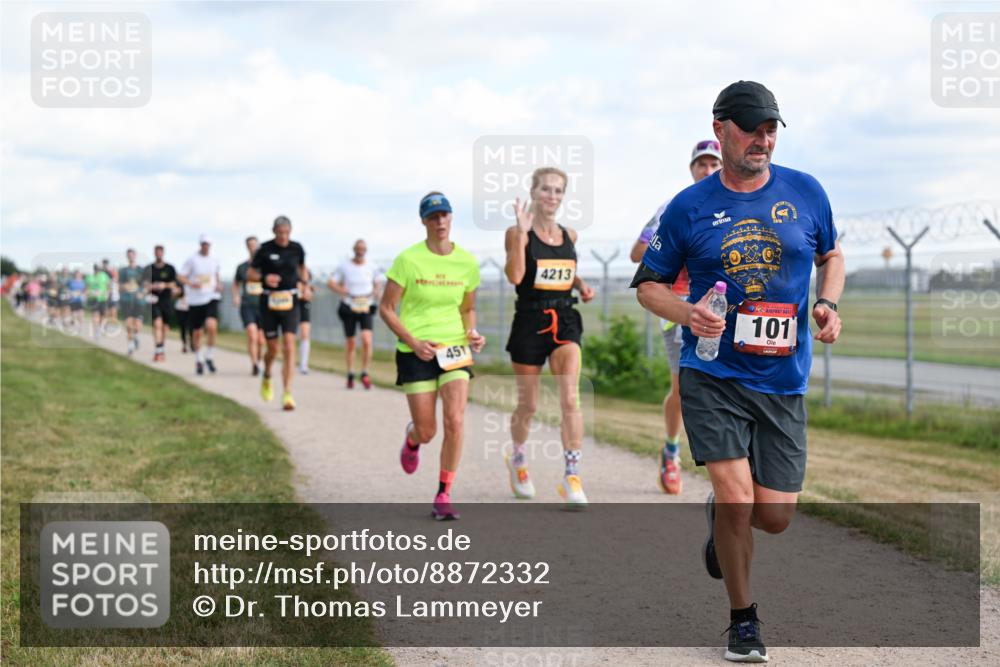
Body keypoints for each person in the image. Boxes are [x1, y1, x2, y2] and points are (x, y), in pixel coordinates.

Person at [632, 80, 844, 663]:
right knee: (736, 497)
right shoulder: (688, 207)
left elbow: (831, 256)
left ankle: (719, 520)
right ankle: (743, 619)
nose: (763, 138)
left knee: (773, 516)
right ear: (720, 127)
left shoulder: (805, 191)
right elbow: (647, 286)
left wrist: (826, 302)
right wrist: (688, 312)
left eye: (771, 127)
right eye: (751, 126)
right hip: (712, 374)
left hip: (782, 380)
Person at [379, 192, 485, 520]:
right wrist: (412, 341)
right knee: (428, 430)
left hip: (454, 348)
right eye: (433, 217)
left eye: (445, 215)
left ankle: (443, 494)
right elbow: (386, 308)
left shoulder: (466, 262)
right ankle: (413, 439)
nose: (440, 222)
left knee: (455, 420)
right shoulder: (408, 260)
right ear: (424, 221)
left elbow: (467, 308)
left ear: (452, 218)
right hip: (416, 351)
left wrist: (472, 332)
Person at [630, 140, 723, 494]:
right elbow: (637, 252)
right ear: (692, 169)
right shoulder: (673, 207)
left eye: (714, 164)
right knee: (683, 386)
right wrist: (670, 240)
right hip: (678, 305)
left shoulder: (736, 204)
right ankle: (671, 450)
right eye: (702, 164)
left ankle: (730, 461)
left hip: (720, 305)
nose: (708, 171)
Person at [503, 167, 595, 508]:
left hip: (565, 321)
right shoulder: (516, 232)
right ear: (533, 191)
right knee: (527, 405)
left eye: (558, 191)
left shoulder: (570, 234)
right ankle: (517, 459)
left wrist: (581, 285)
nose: (552, 196)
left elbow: (563, 270)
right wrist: (523, 236)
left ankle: (572, 476)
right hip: (529, 321)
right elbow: (516, 275)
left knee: (570, 398)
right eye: (546, 189)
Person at [249, 215, 308, 410]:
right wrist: (265, 278)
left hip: (290, 301)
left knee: (289, 345)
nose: (283, 236)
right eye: (280, 232)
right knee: (273, 349)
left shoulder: (297, 248)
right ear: (274, 231)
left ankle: (287, 393)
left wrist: (305, 285)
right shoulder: (264, 249)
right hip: (269, 302)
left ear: (290, 232)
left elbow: (302, 269)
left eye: (287, 233)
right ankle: (266, 374)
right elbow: (251, 273)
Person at [329, 239, 383, 389]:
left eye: (363, 249)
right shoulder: (344, 265)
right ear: (354, 249)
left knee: (367, 340)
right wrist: (342, 291)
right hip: (349, 305)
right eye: (358, 249)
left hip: (366, 305)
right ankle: (350, 372)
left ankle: (365, 372)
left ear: (366, 250)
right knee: (351, 342)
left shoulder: (372, 265)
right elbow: (331, 282)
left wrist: (376, 291)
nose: (360, 251)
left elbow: (378, 281)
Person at [178, 234, 222, 375]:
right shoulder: (192, 259)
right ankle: (199, 359)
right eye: (203, 244)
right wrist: (191, 283)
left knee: (211, 326)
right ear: (200, 244)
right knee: (197, 332)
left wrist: (219, 285)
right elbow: (181, 276)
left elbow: (216, 276)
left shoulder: (215, 259)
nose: (206, 246)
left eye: (208, 244)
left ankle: (209, 355)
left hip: (211, 296)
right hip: (196, 299)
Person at [233, 236, 265, 375]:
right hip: (247, 305)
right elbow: (236, 283)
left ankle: (258, 360)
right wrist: (236, 296)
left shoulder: (265, 266)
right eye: (250, 245)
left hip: (263, 306)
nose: (253, 248)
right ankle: (254, 364)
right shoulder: (242, 267)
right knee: (252, 334)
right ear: (247, 247)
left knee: (261, 340)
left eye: (255, 245)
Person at [143, 245, 178, 362]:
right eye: (156, 252)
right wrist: (152, 286)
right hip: (154, 300)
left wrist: (165, 285)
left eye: (160, 252)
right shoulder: (149, 268)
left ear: (163, 253)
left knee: (164, 327)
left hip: (166, 300)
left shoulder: (170, 268)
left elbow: (174, 284)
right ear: (154, 253)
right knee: (157, 324)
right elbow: (144, 285)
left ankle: (161, 347)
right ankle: (158, 350)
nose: (158, 254)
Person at [119, 249, 145, 356]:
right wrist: (124, 286)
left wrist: (142, 293)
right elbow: (119, 286)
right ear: (127, 257)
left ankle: (137, 336)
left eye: (132, 255)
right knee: (129, 324)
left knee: (138, 323)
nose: (131, 257)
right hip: (126, 299)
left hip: (138, 300)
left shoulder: (141, 270)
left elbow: (146, 284)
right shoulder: (123, 271)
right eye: (129, 255)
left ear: (135, 256)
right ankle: (130, 346)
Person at [85, 263, 111, 339]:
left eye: (98, 269)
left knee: (103, 315)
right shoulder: (89, 277)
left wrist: (107, 293)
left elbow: (109, 285)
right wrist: (90, 293)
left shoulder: (104, 276)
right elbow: (86, 288)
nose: (97, 270)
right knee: (95, 314)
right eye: (96, 269)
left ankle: (99, 328)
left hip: (103, 298)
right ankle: (96, 331)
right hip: (93, 299)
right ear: (94, 269)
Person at [297, 270, 314, 375]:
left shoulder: (308, 285)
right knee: (290, 336)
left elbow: (308, 296)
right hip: (292, 306)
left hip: (303, 307)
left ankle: (304, 364)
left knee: (305, 333)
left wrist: (305, 288)